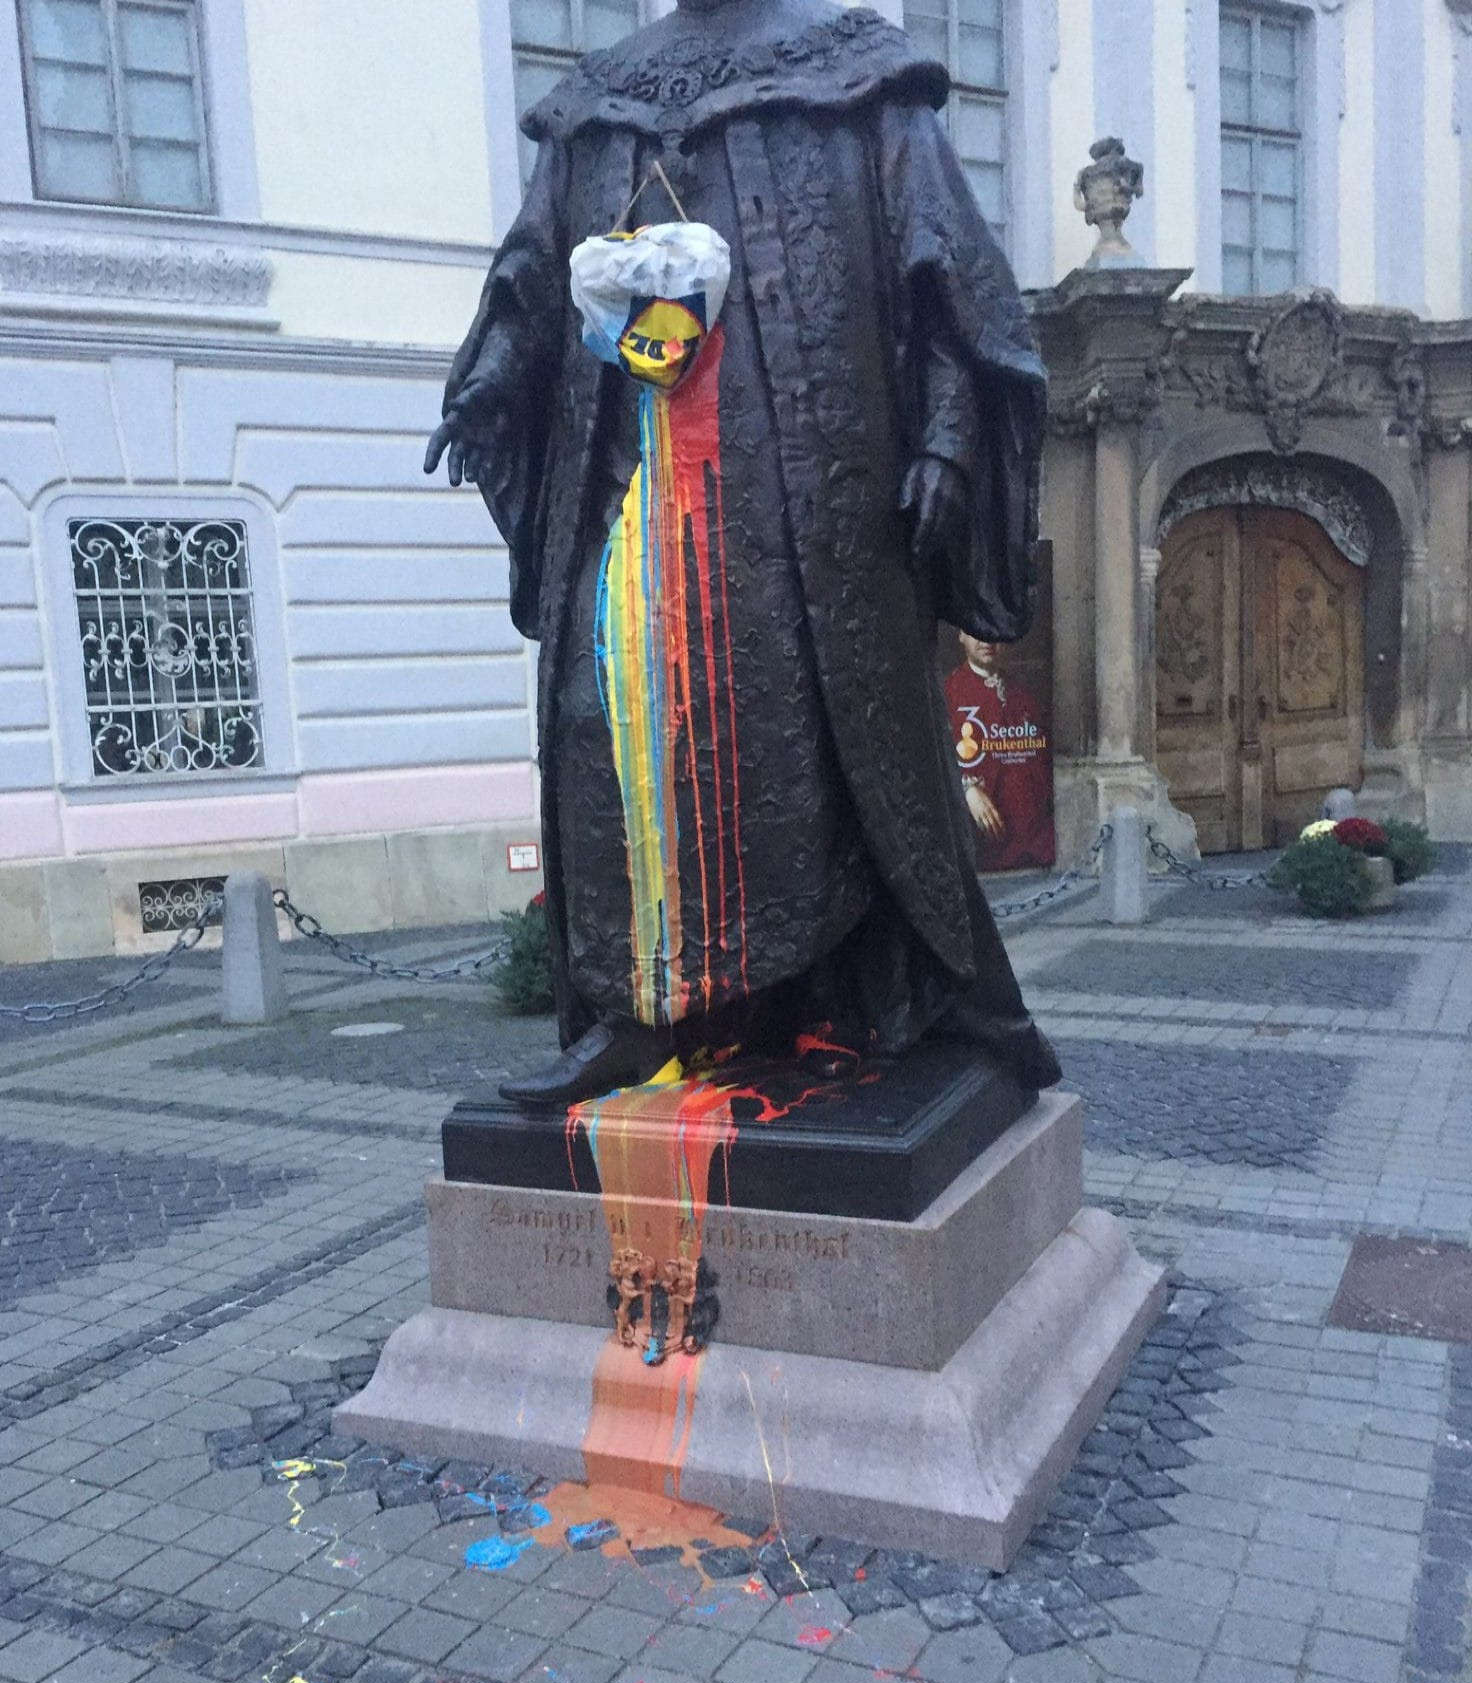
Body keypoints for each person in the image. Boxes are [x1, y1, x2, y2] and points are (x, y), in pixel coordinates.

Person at [426, 0, 1060, 1105]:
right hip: (631, 498)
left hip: (810, 511)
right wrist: (490, 382)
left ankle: (826, 1002)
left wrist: (949, 443)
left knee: (808, 747)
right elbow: (535, 272)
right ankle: (644, 1010)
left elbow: (946, 280)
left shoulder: (855, 74)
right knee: (604, 728)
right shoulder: (602, 98)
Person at [945, 633, 1055, 873]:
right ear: (961, 635)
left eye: (994, 633)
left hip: (1036, 847)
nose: (987, 641)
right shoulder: (949, 693)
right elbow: (933, 762)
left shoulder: (1023, 695)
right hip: (986, 850)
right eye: (976, 632)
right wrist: (966, 789)